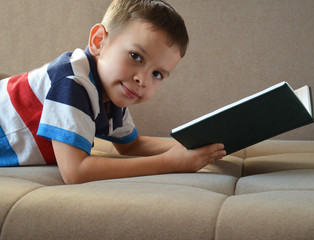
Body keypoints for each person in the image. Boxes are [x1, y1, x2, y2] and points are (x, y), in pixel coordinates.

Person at [0, 0, 226, 184]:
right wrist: (170, 163)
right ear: (99, 41)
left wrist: (199, 145)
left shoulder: (112, 94)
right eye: (136, 56)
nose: (142, 79)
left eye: (157, 74)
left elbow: (132, 145)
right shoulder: (73, 82)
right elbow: (75, 171)